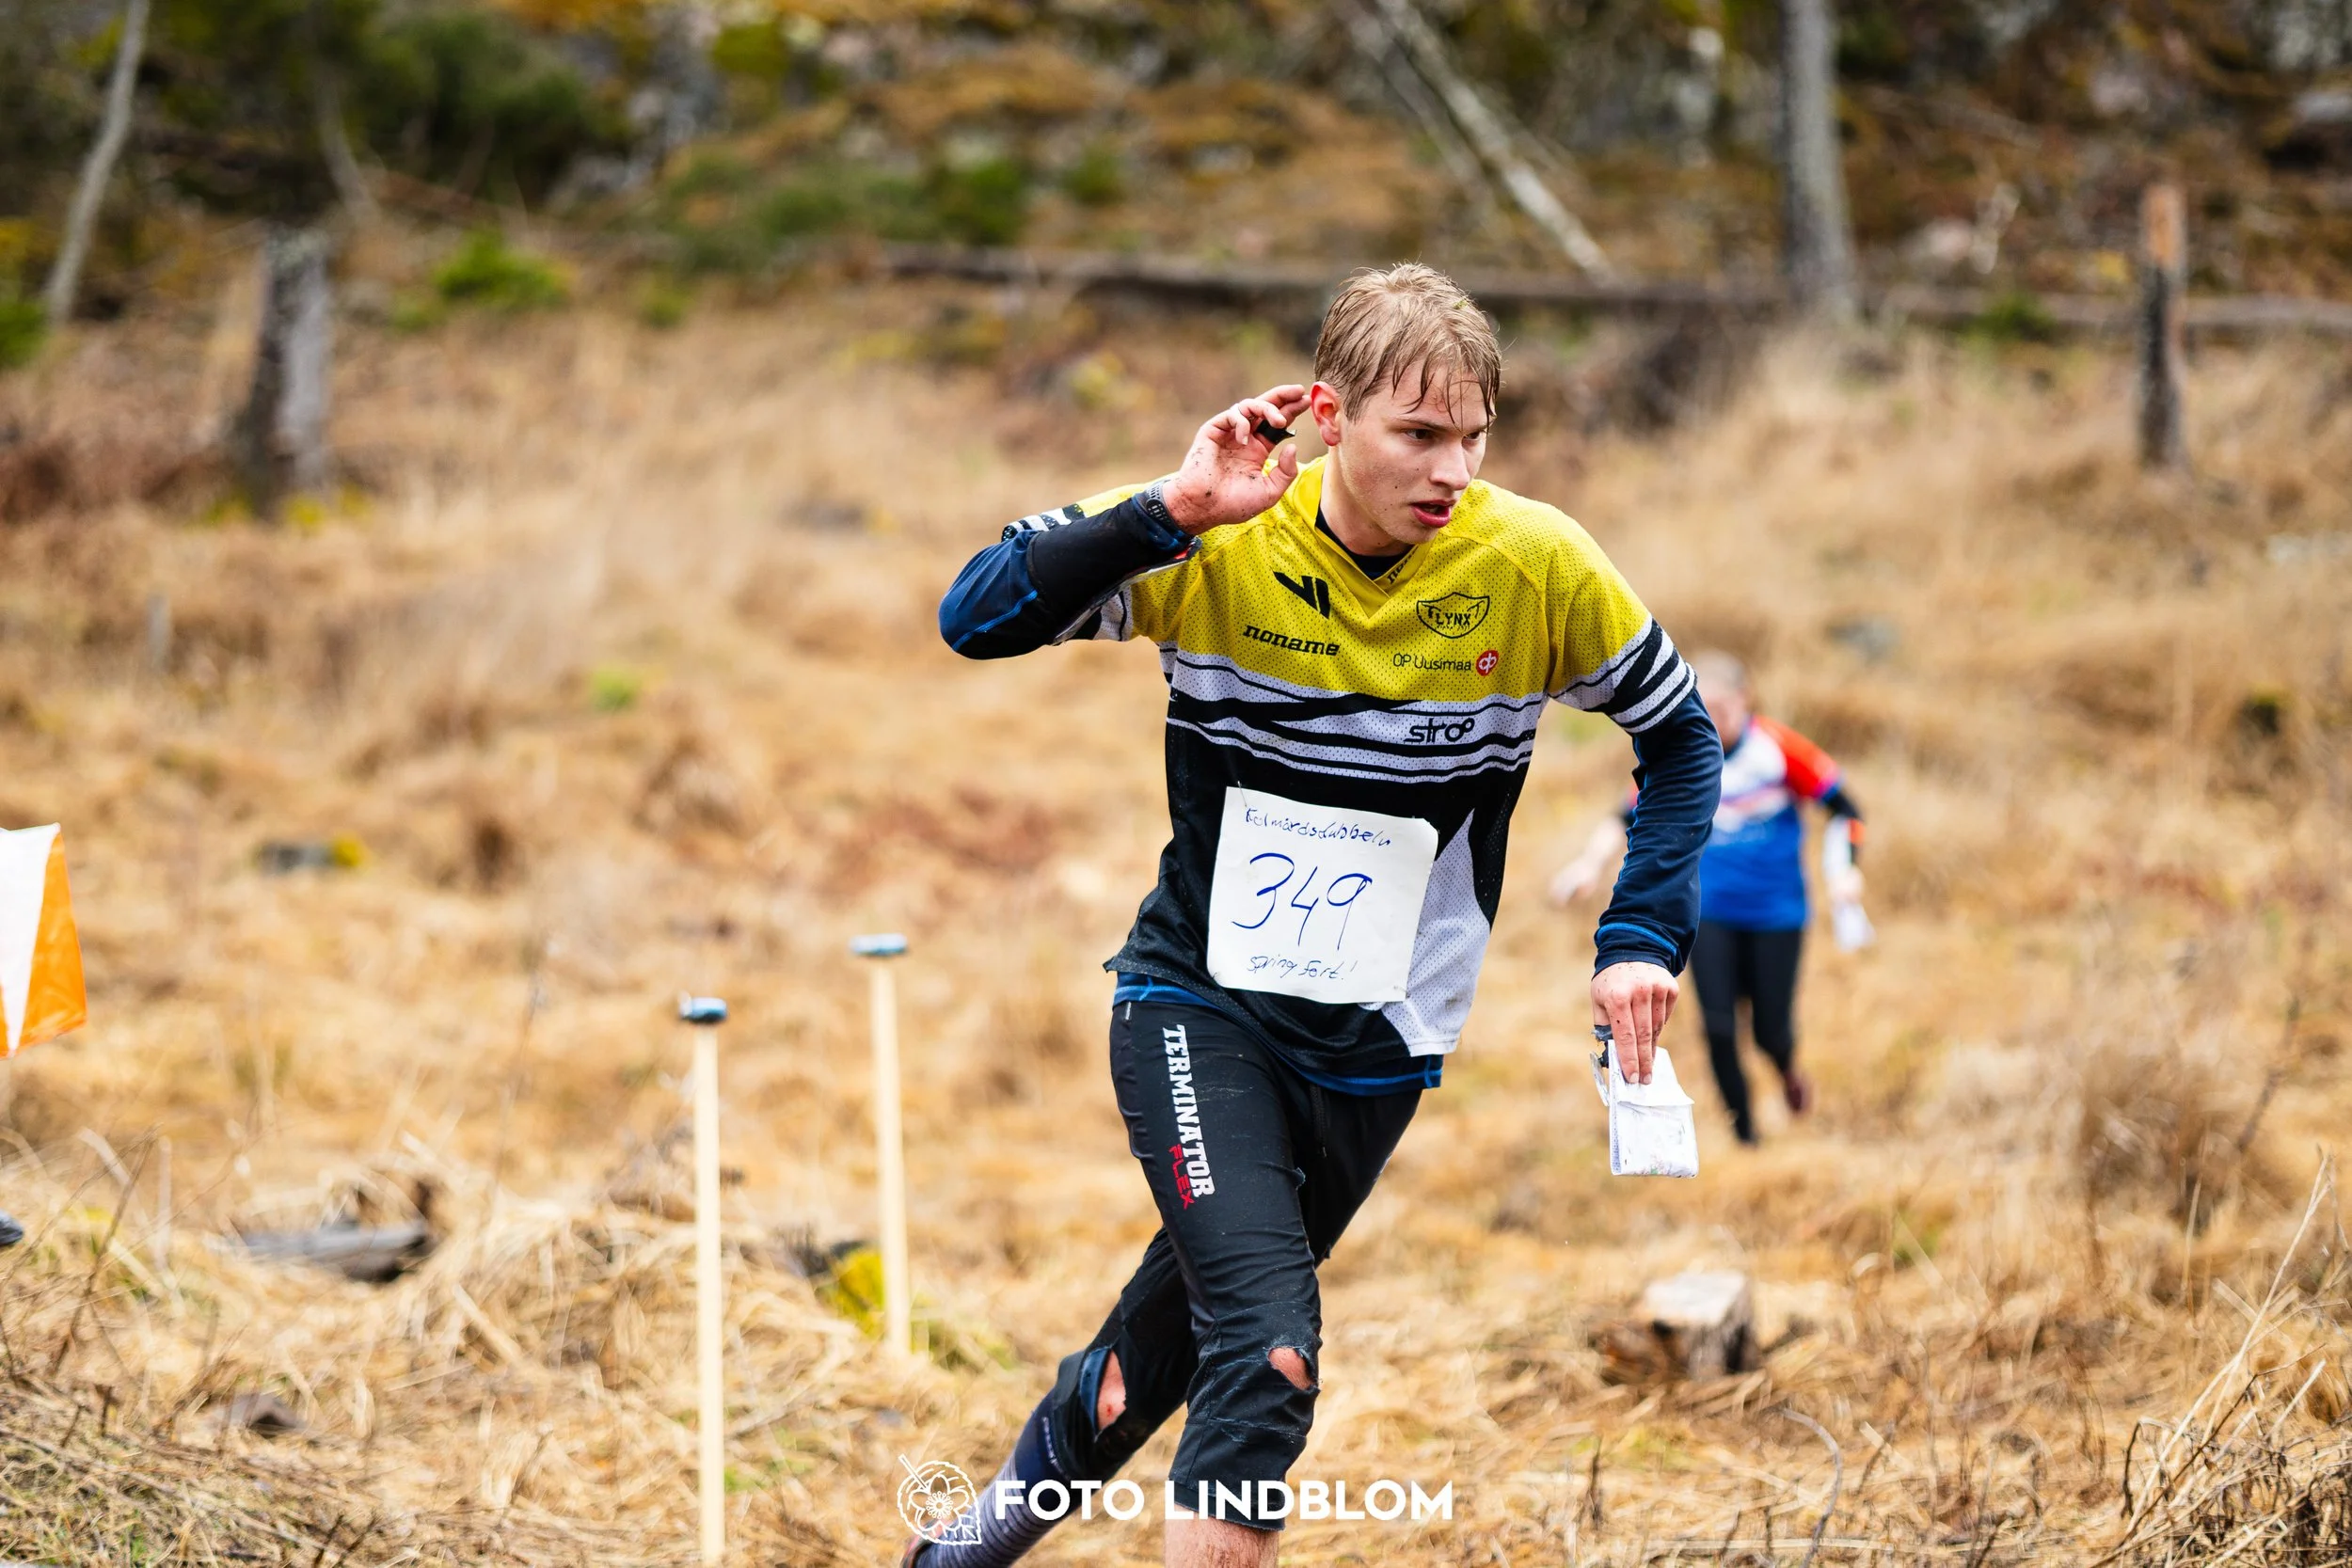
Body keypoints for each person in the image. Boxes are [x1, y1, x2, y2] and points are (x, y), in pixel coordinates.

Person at [919, 264, 1721, 1568]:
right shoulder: (1219, 540)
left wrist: (1640, 933)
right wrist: (1171, 506)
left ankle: (957, 1551)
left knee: (1156, 1355)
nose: (1451, 465)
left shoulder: (1534, 564)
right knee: (1269, 1348)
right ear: (1329, 415)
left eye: (1474, 435)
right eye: (1419, 433)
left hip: (1381, 1039)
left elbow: (1682, 740)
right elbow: (974, 617)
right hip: (1198, 1001)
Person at [1549, 651, 1866, 1146]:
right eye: (1703, 705)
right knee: (1718, 1028)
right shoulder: (1687, 757)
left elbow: (1847, 810)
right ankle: (1748, 1137)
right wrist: (1589, 864)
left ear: (1747, 700)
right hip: (1710, 913)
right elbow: (1622, 816)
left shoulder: (1777, 749)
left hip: (1778, 913)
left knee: (1769, 1033)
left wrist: (1846, 870)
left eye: (1722, 706)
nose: (1712, 717)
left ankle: (1786, 1070)